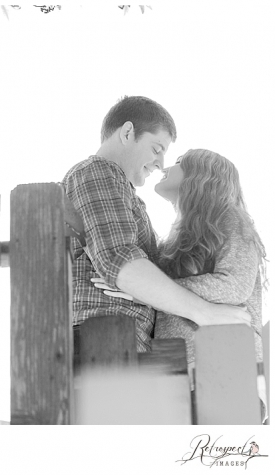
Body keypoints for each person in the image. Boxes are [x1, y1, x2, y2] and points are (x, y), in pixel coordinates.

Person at [62, 96, 250, 353]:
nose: (161, 164)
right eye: (156, 149)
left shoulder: (127, 195)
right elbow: (120, 262)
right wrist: (204, 312)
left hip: (120, 342)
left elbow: (141, 276)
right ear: (128, 133)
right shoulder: (99, 171)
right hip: (103, 339)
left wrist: (145, 291)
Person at [97, 148, 267, 421]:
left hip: (223, 374)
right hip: (172, 383)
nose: (165, 165)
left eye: (178, 162)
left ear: (201, 176)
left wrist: (149, 290)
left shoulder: (230, 218)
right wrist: (139, 287)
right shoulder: (171, 241)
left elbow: (234, 285)